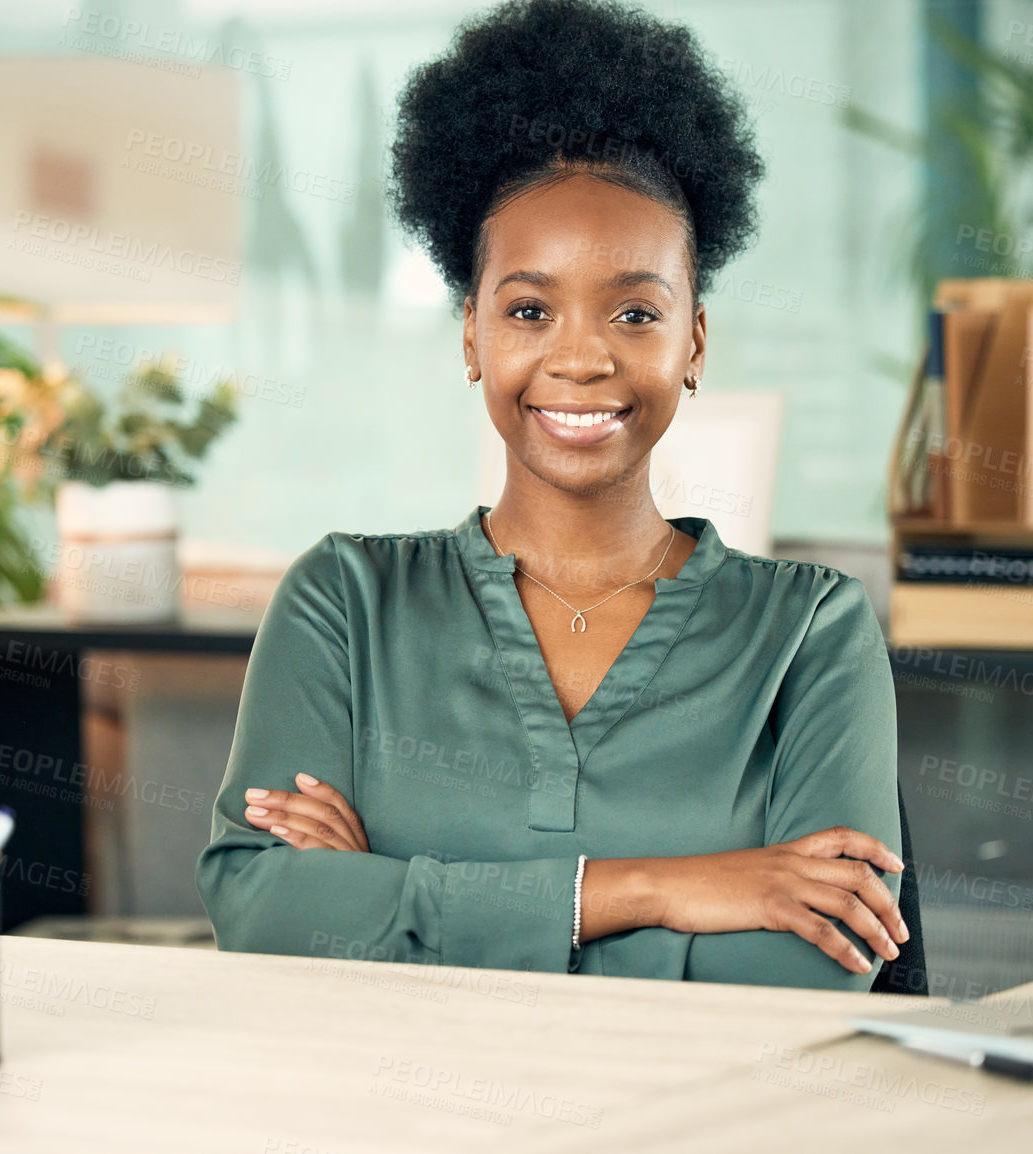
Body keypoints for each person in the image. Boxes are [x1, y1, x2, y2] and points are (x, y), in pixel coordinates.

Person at [196, 0, 909, 990]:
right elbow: (265, 910)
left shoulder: (810, 631)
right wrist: (653, 887)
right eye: (529, 308)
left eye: (634, 310)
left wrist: (388, 897)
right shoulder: (346, 602)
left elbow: (806, 969)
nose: (581, 356)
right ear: (471, 334)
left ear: (692, 342)